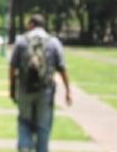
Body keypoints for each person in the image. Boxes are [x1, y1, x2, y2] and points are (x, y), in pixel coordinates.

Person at [8, 13, 72, 152]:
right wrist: (68, 91)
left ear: (31, 24)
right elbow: (62, 68)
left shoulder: (21, 41)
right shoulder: (53, 42)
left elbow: (12, 67)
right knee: (43, 126)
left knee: (24, 121)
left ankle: (25, 146)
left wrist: (12, 89)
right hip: (45, 90)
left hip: (24, 89)